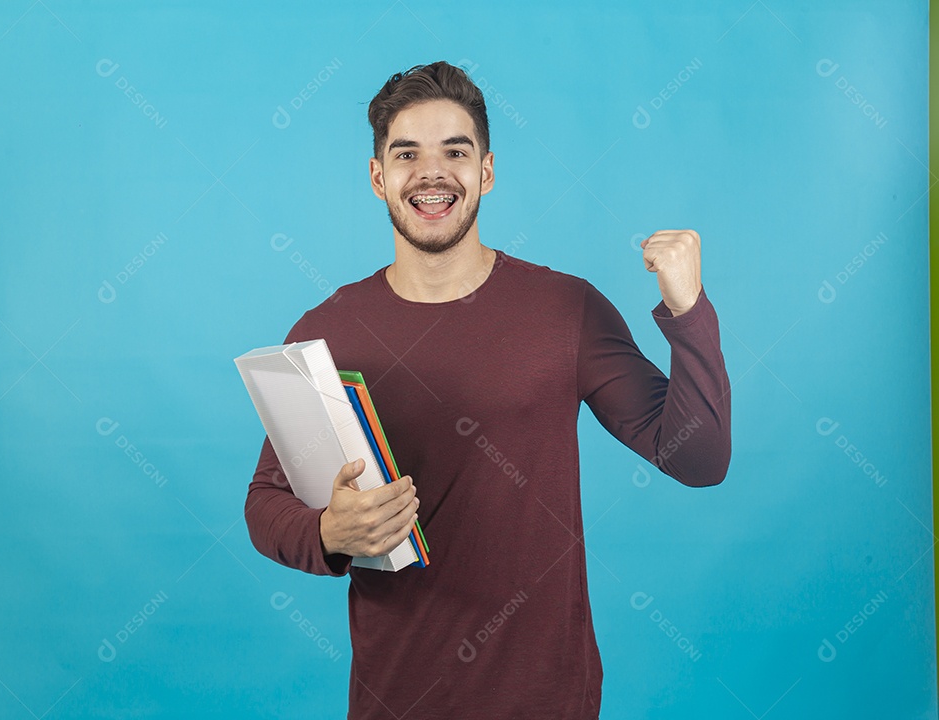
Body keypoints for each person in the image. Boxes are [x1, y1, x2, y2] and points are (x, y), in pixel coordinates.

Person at [244, 60, 731, 719]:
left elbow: (697, 458)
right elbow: (265, 503)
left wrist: (689, 311)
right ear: (378, 177)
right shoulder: (328, 330)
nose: (432, 172)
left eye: (456, 151)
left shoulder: (567, 311)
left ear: (488, 172)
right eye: (407, 153)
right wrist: (330, 530)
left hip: (549, 702)